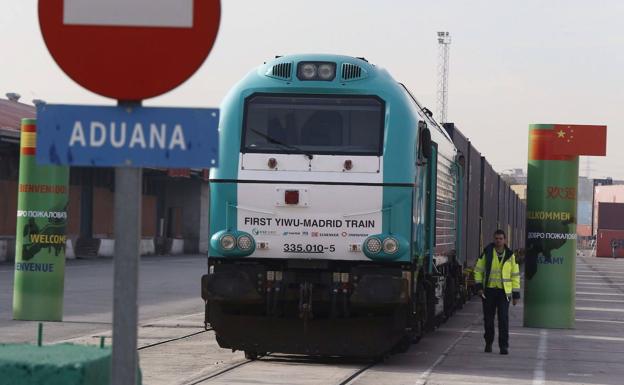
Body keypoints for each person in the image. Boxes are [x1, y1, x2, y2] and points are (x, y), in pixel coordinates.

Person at [473, 229, 521, 355]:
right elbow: (478, 270)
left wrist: (516, 295)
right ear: (494, 239)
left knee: (503, 320)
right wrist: (478, 287)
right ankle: (488, 342)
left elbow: (515, 276)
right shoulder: (487, 253)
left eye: (501, 238)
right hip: (488, 291)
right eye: (496, 238)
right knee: (488, 319)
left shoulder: (510, 256)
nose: (498, 241)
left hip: (504, 293)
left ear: (505, 240)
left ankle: (503, 346)